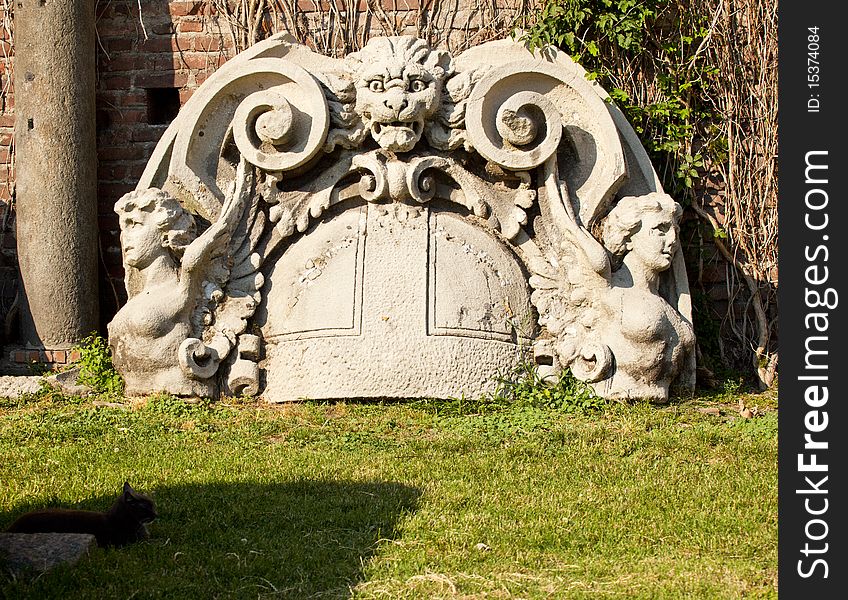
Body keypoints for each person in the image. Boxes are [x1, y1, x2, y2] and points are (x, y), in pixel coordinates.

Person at [108, 160, 251, 396]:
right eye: (124, 228)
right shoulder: (137, 295)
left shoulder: (185, 286)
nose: (126, 237)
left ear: (165, 236)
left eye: (135, 226)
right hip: (137, 398)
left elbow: (216, 237)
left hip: (182, 394)